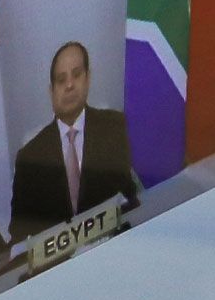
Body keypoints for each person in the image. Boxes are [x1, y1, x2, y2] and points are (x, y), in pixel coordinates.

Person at [9, 41, 140, 245]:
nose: (69, 85)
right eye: (61, 80)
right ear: (51, 91)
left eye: (76, 75)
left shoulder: (113, 127)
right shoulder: (29, 157)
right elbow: (19, 237)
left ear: (88, 79)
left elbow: (129, 200)